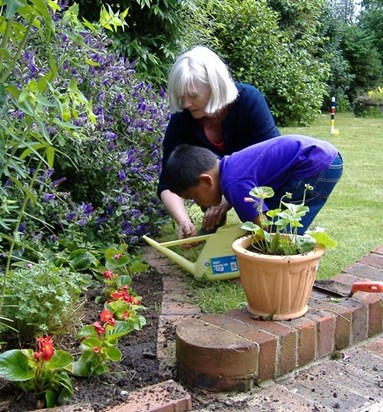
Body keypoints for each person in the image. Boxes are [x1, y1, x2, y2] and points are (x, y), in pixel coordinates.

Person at [158, 45, 280, 239]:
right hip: (215, 183)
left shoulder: (249, 101)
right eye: (181, 97)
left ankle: (272, 234)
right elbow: (167, 182)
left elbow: (273, 160)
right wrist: (184, 220)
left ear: (214, 86)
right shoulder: (182, 117)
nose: (186, 104)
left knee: (271, 222)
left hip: (257, 179)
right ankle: (212, 226)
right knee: (201, 183)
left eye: (193, 95)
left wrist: (228, 197)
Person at [164, 135, 343, 235]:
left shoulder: (235, 184)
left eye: (193, 197)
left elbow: (260, 229)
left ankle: (296, 248)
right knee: (275, 214)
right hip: (321, 156)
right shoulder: (230, 168)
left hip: (317, 165)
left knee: (279, 233)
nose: (197, 203)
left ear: (206, 180)